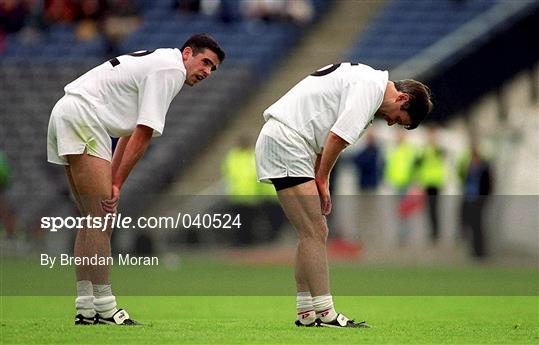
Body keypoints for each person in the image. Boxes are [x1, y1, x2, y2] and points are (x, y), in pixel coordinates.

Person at [47, 33, 225, 325]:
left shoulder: (162, 62)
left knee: (91, 219)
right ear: (187, 53)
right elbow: (142, 135)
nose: (207, 71)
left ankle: (86, 306)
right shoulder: (172, 69)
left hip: (67, 112)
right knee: (101, 219)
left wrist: (115, 182)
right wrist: (115, 185)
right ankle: (105, 306)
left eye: (213, 69)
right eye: (205, 62)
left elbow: (128, 134)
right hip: (83, 116)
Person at [255, 62, 433, 328]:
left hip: (289, 141)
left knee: (311, 231)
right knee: (315, 231)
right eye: (398, 117)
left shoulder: (365, 80)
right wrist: (323, 180)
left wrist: (318, 175)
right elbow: (337, 138)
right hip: (288, 141)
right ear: (403, 97)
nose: (390, 121)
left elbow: (324, 138)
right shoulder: (371, 88)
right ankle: (326, 313)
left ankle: (306, 312)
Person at [416, 127, 446, 244]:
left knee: (435, 209)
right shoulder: (424, 151)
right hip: (426, 183)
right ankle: (431, 233)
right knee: (428, 209)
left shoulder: (439, 150)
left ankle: (435, 233)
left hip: (435, 183)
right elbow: (419, 166)